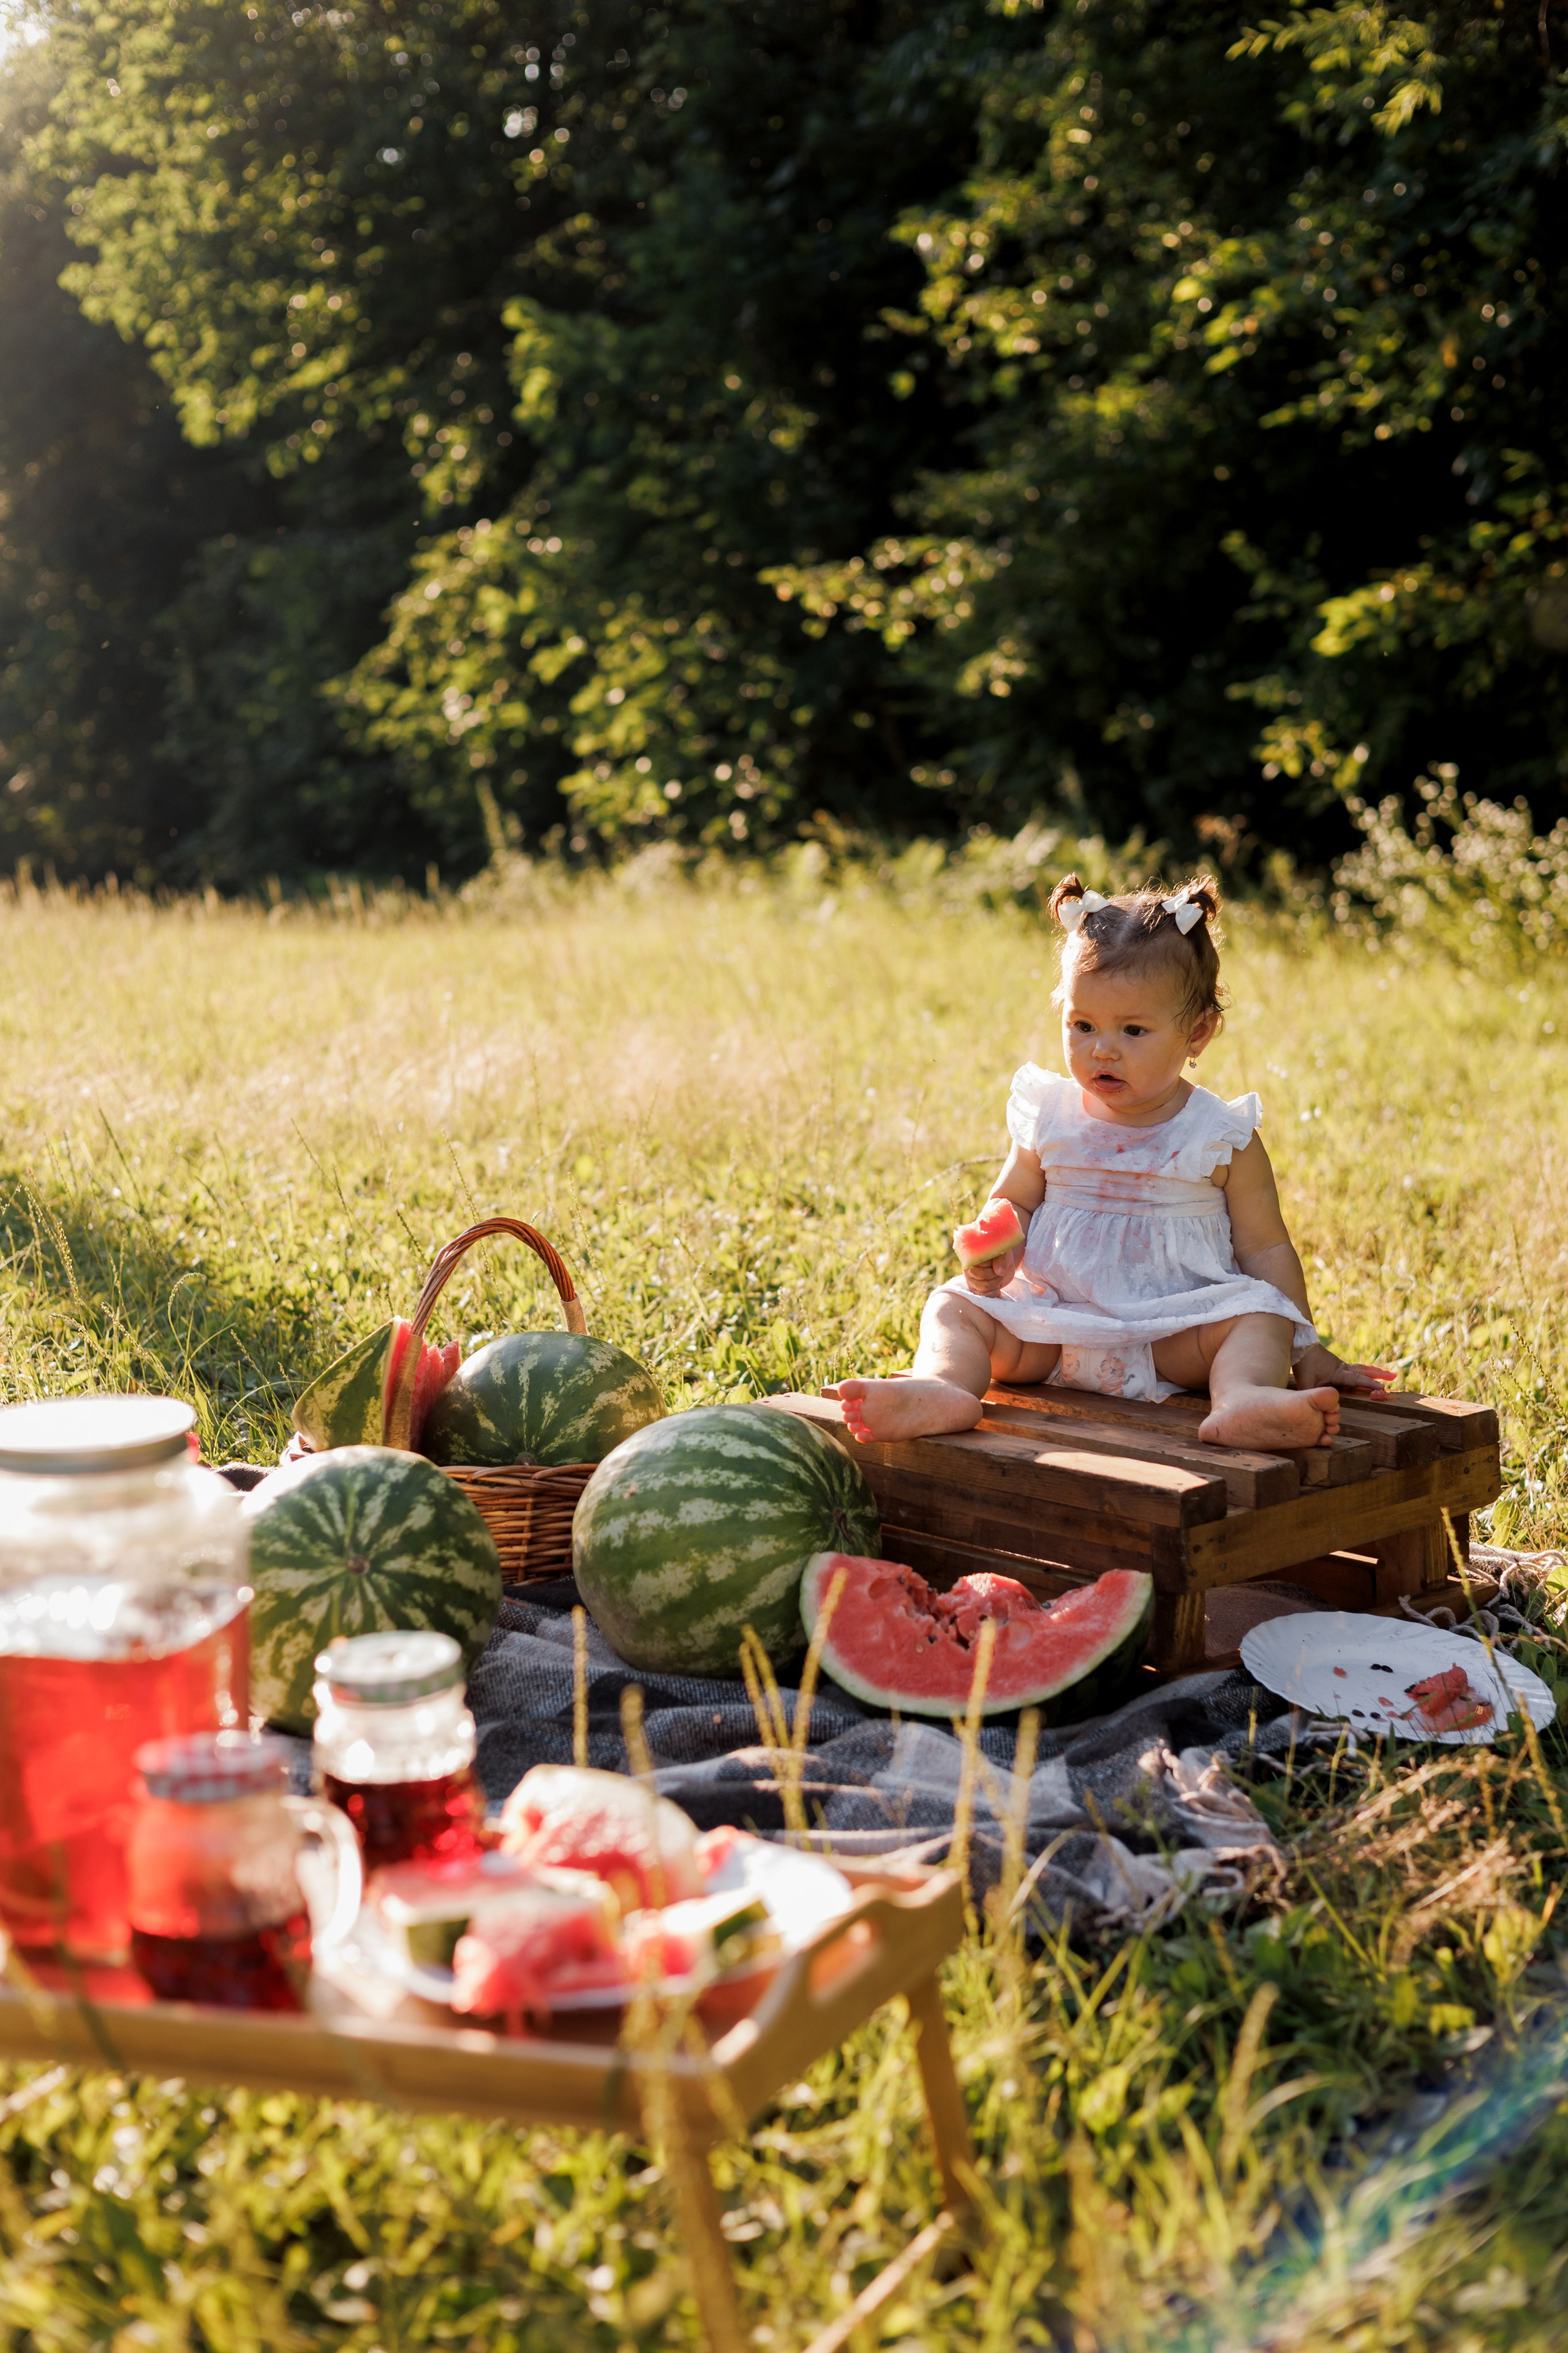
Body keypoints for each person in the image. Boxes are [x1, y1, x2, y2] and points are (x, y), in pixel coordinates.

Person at [827, 874, 1392, 1450]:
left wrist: (1307, 1348)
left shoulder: (1219, 1135)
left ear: (1197, 1033)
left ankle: (1243, 1396)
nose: (1102, 1048)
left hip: (1176, 1335)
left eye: (1133, 1030)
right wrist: (997, 1252)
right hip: (1052, 1329)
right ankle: (943, 1385)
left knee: (1259, 1317)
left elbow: (1267, 1249)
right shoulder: (1049, 1114)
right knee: (953, 1305)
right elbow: (1014, 1201)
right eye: (1083, 1025)